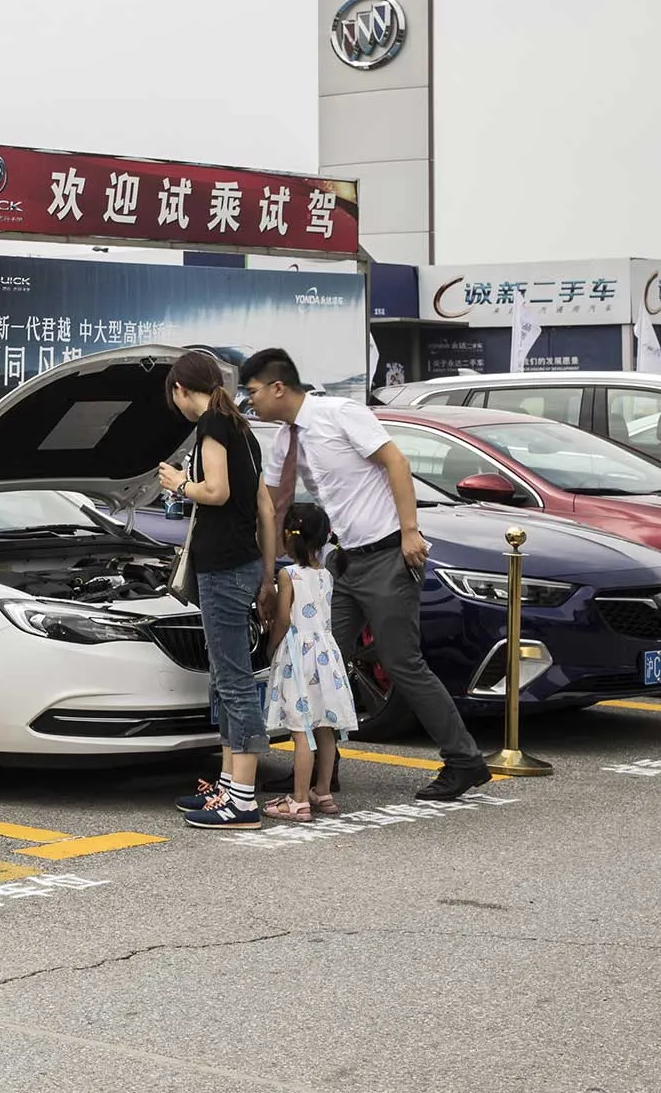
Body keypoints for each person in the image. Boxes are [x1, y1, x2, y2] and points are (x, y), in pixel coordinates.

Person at [239, 347, 491, 800]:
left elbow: (397, 462)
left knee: (401, 662)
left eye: (252, 391)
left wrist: (410, 531)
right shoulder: (284, 441)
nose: (249, 400)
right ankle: (322, 770)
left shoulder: (339, 414)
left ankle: (464, 760)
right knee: (317, 658)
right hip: (343, 561)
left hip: (387, 554)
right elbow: (274, 507)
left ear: (277, 388)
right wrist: (267, 576)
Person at [157, 349, 279, 829]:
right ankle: (228, 786)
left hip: (223, 568)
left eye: (174, 397)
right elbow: (265, 508)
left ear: (180, 389)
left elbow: (217, 491)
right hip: (244, 565)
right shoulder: (242, 429)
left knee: (233, 681)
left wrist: (179, 483)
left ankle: (242, 800)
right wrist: (267, 576)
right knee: (226, 679)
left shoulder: (212, 425)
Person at [262, 502, 359, 822]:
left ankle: (299, 800)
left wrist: (271, 646)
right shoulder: (326, 574)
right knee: (325, 727)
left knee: (301, 729)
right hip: (326, 656)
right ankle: (322, 792)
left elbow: (283, 620)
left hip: (299, 657)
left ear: (288, 537)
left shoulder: (288, 574)